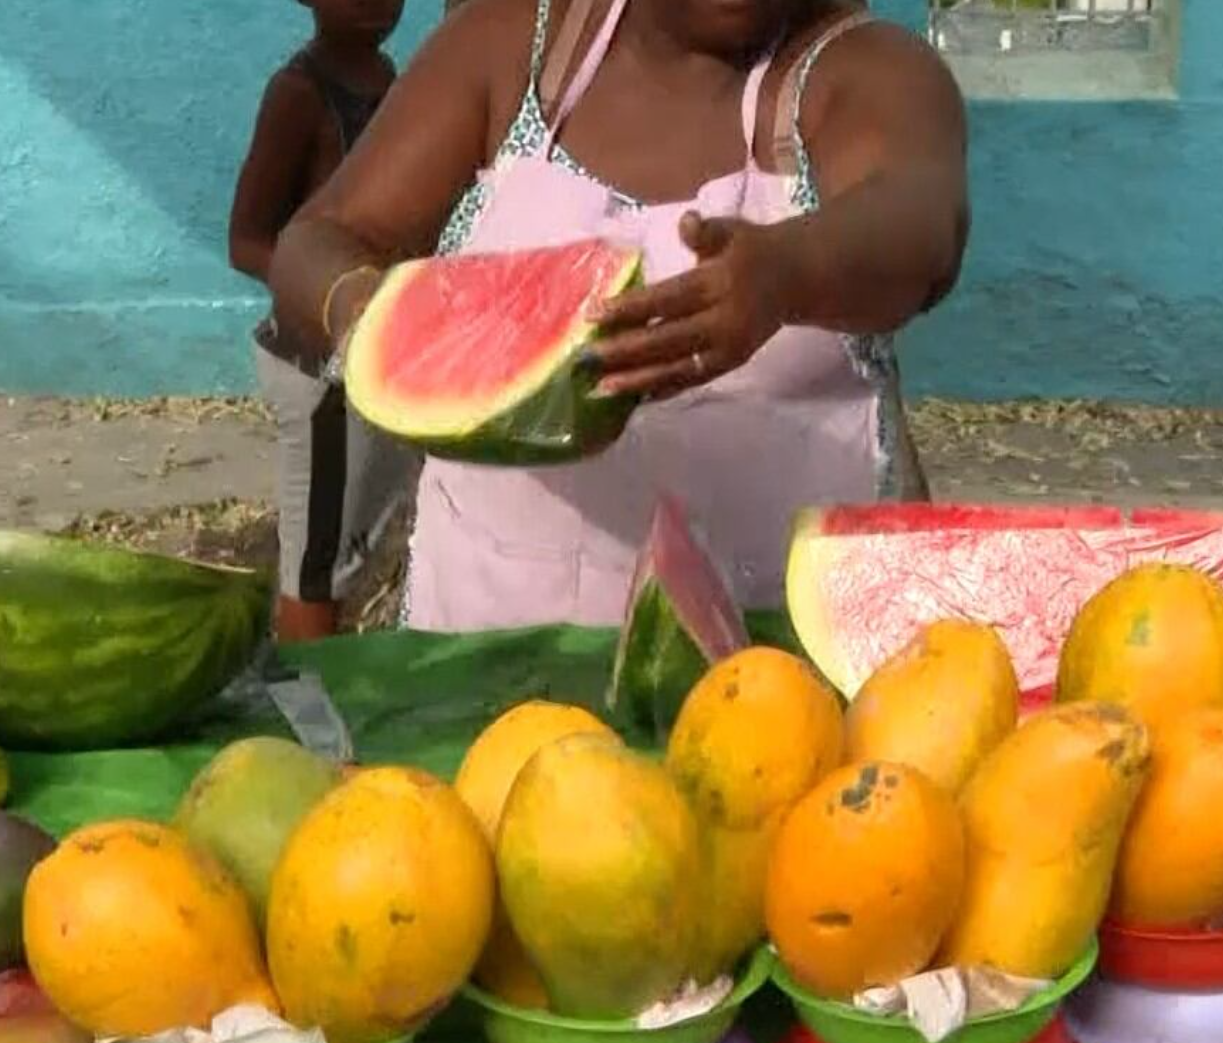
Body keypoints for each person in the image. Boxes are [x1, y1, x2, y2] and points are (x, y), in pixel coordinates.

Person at [271, 0, 968, 633]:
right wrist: (371, 313)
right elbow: (320, 235)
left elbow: (923, 222)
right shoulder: (508, 47)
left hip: (783, 682)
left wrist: (790, 270)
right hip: (482, 668)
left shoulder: (868, 70)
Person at [228, 0, 418, 642]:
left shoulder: (392, 81)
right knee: (313, 565)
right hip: (316, 371)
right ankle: (308, 719)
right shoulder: (297, 95)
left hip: (373, 348)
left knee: (352, 543)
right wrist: (329, 295)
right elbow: (247, 239)